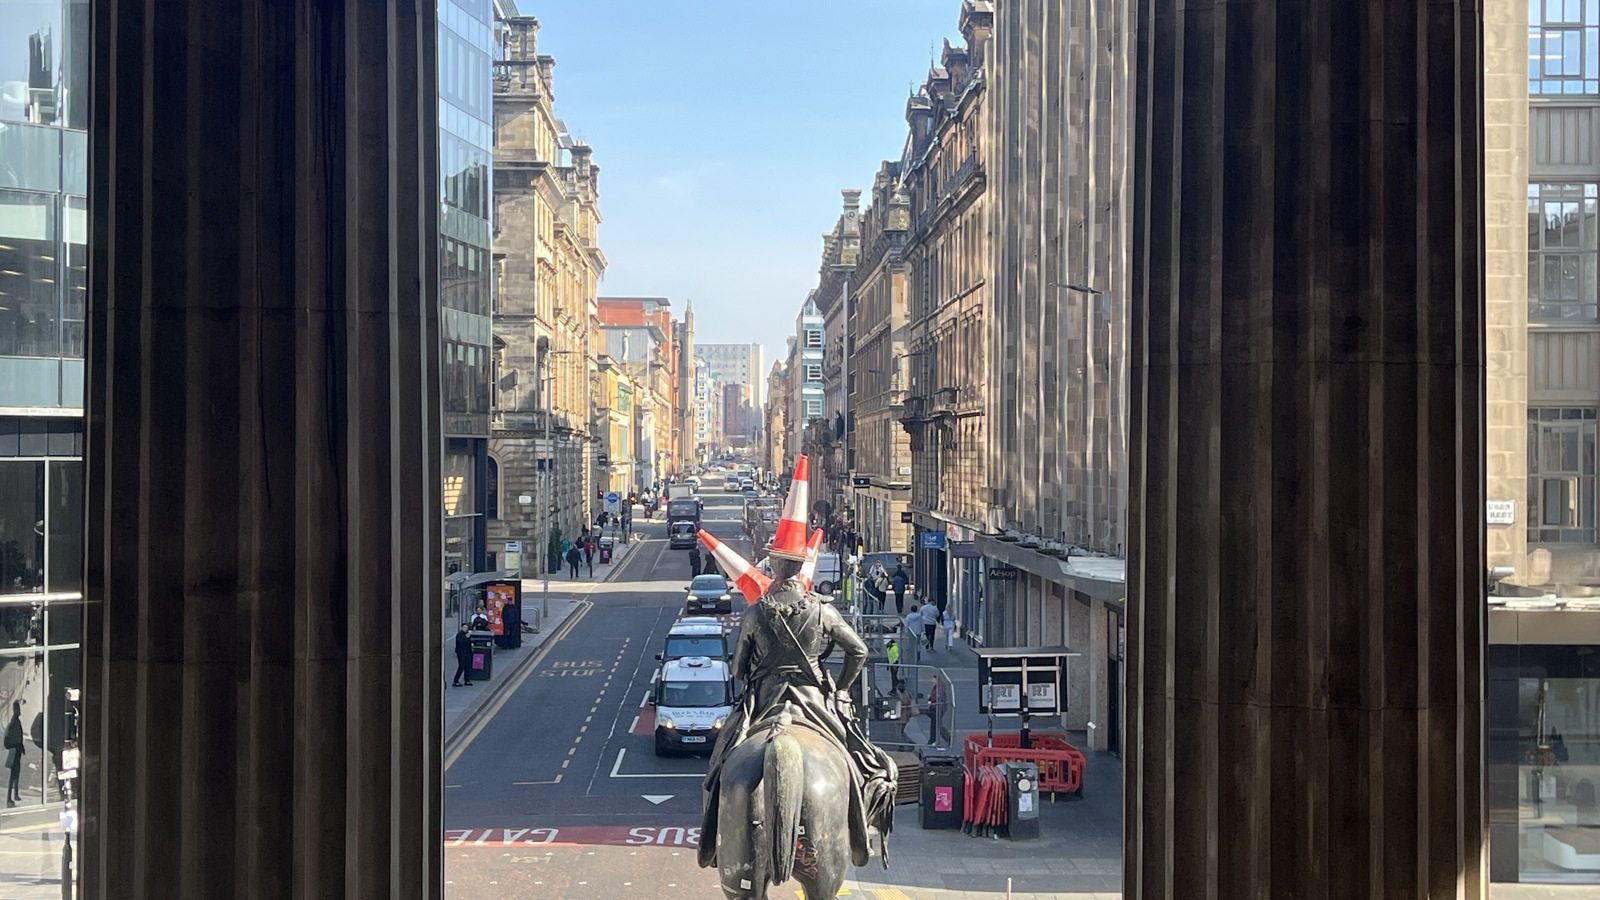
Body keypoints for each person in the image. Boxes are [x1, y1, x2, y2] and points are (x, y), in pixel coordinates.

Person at [698, 551, 896, 872]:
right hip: (814, 703)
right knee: (867, 763)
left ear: (774, 569)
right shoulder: (822, 610)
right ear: (799, 570)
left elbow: (737, 670)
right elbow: (857, 650)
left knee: (719, 764)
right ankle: (861, 835)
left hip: (764, 703)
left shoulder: (755, 613)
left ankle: (713, 843)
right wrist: (841, 688)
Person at [4, 701, 23, 806]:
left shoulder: (16, 721)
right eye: (17, 708)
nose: (19, 711)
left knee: (16, 774)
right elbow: (11, 738)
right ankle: (9, 798)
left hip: (17, 750)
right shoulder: (14, 722)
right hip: (15, 751)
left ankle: (15, 794)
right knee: (13, 775)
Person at [452, 622, 474, 687]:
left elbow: (470, 643)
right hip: (461, 653)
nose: (466, 629)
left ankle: (467, 680)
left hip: (468, 653)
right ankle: (455, 680)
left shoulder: (468, 635)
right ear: (461, 628)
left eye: (467, 628)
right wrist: (467, 638)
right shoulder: (459, 635)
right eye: (464, 627)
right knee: (461, 667)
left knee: (467, 667)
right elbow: (461, 643)